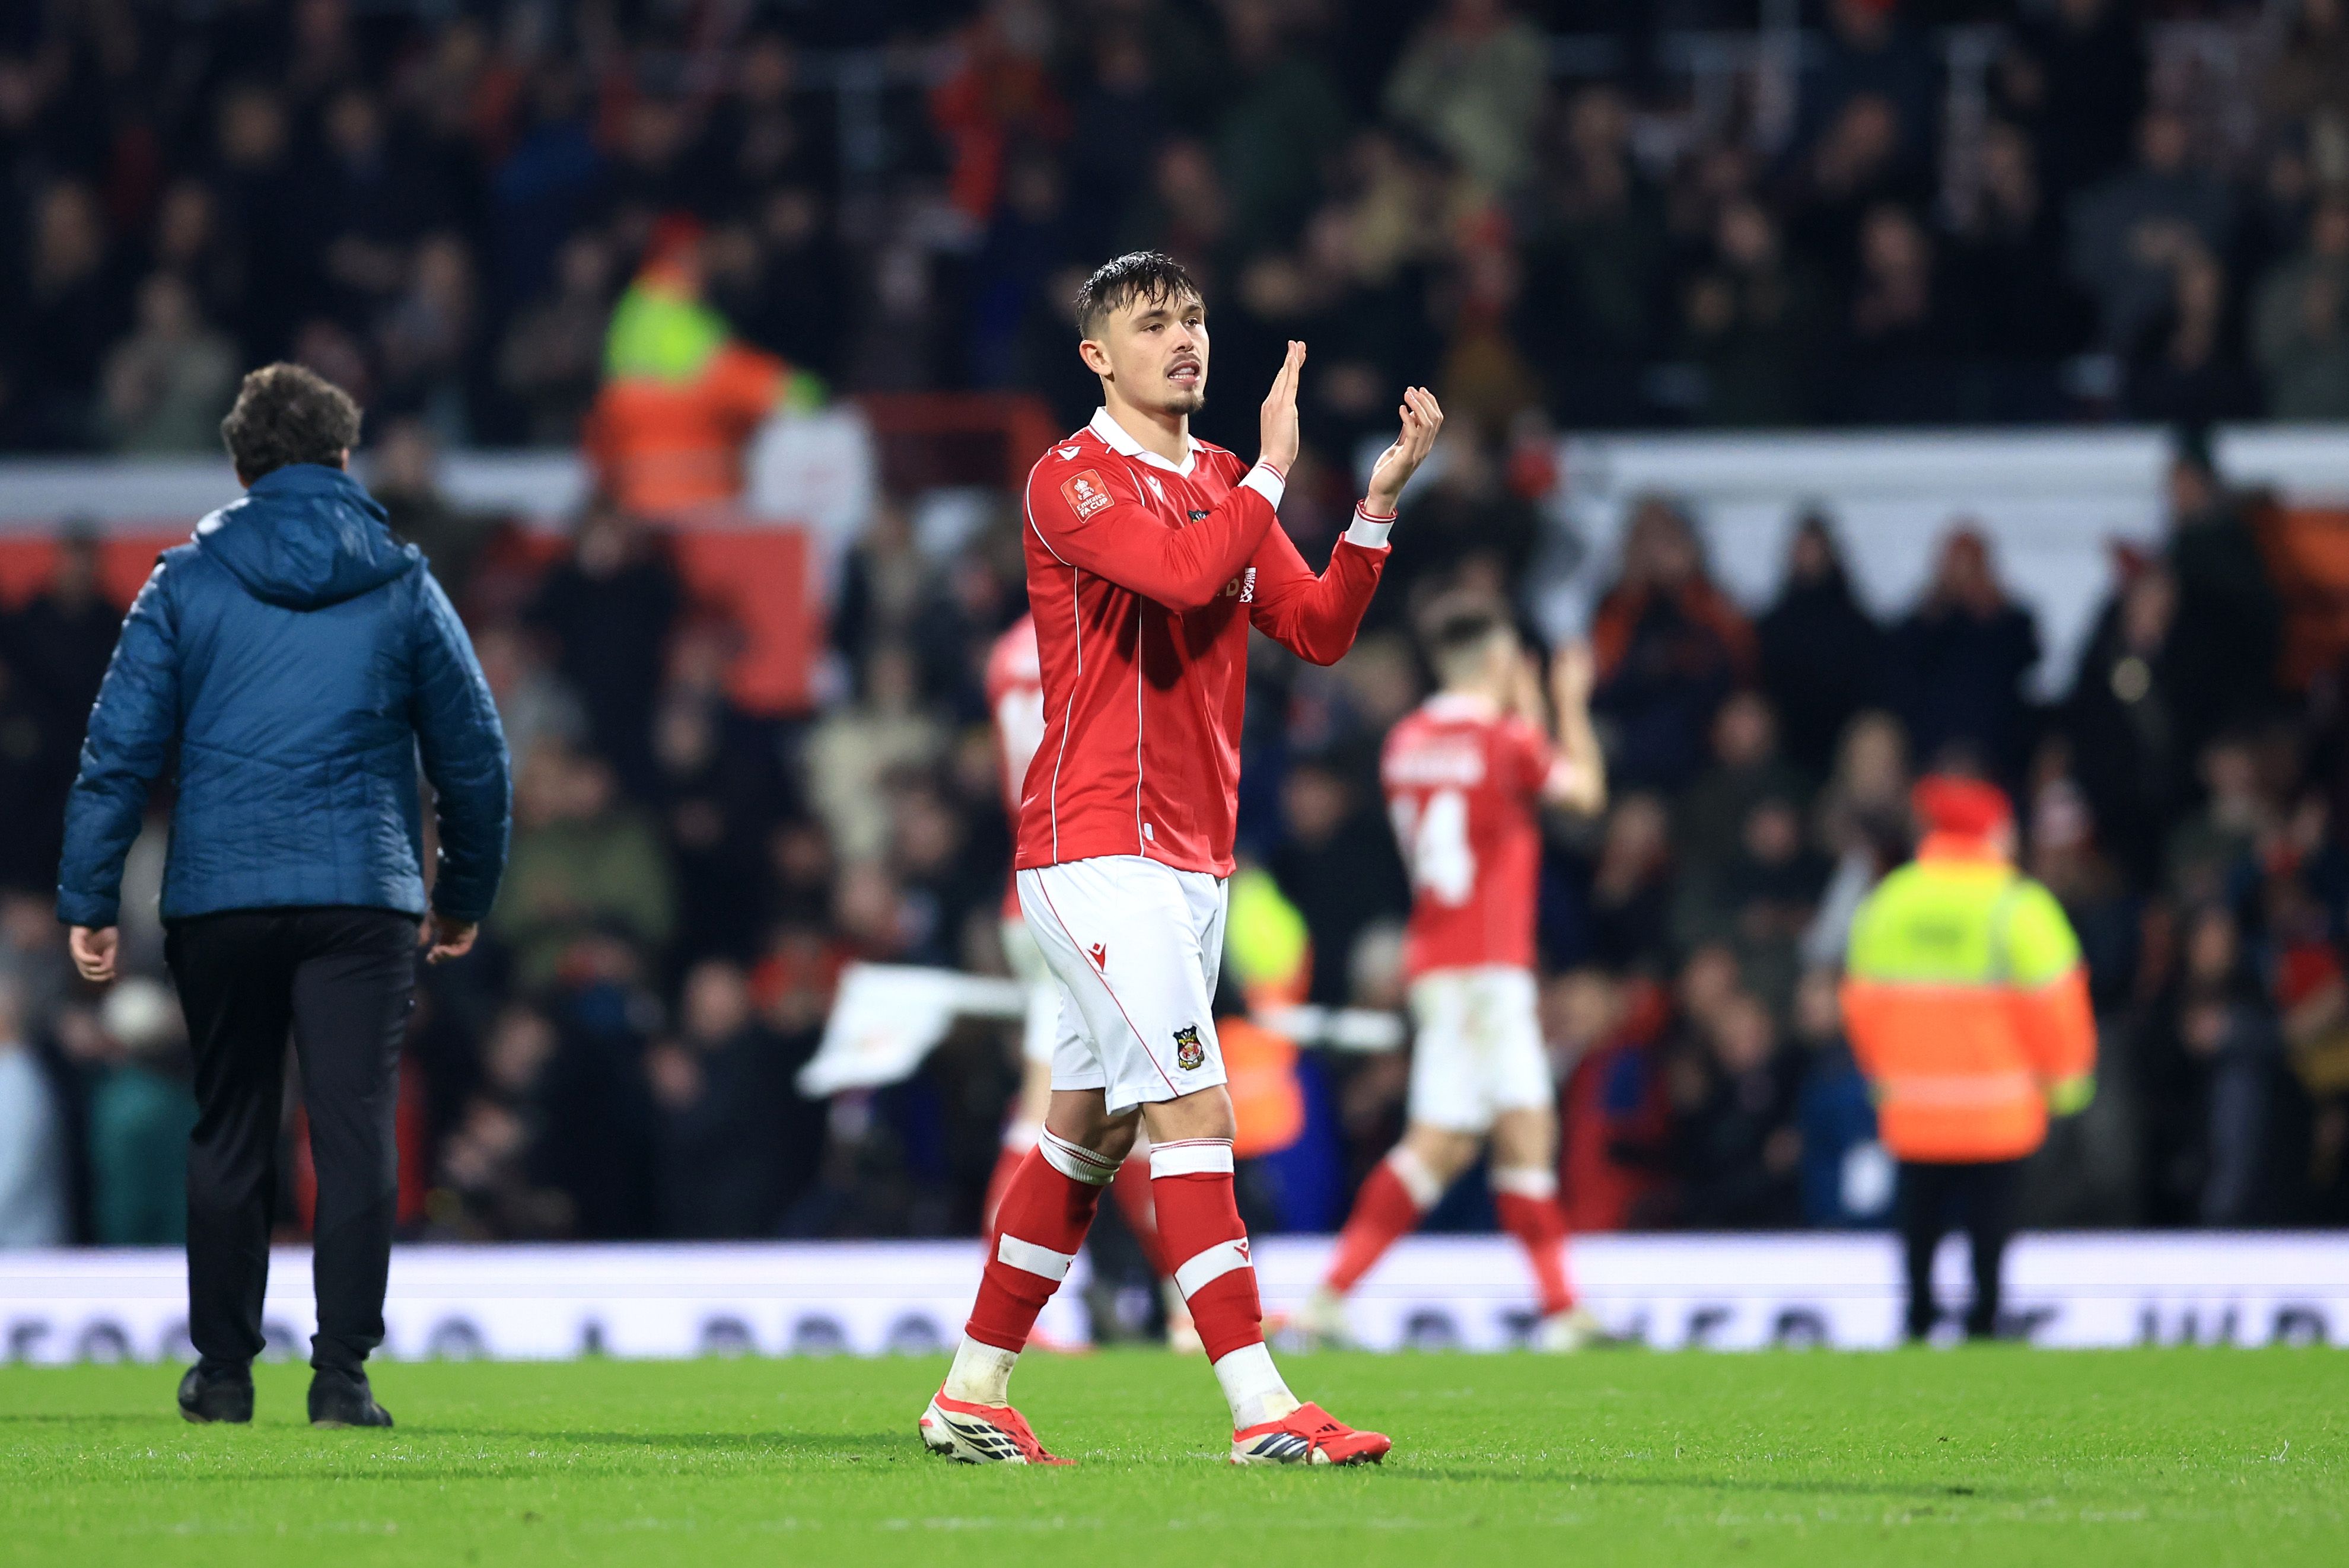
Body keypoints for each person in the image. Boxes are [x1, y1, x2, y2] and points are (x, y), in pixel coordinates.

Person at [919, 251, 1439, 1468]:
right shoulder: (1072, 482)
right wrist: (1270, 467)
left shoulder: (1216, 480)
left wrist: (1374, 505)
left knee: (1089, 1130)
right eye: (1155, 324)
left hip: (1193, 858)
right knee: (1194, 1104)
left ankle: (972, 1389)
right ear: (1098, 355)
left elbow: (1314, 629)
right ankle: (1264, 1405)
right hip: (1094, 846)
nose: (1184, 339)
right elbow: (1189, 569)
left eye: (1196, 318)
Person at [56, 364, 510, 1427]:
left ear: (242, 466)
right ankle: (342, 1374)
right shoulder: (402, 581)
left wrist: (88, 890)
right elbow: (476, 757)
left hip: (222, 895)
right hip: (364, 893)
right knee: (354, 1127)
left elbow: (116, 751)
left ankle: (221, 1372)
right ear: (344, 459)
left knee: (230, 1126)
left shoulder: (185, 581)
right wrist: (462, 891)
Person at [1299, 603, 1608, 1349]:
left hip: (1438, 958)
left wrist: (1521, 707)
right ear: (1502, 666)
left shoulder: (1405, 742)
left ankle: (1333, 1300)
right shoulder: (1506, 741)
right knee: (1486, 1133)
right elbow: (1583, 794)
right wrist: (1568, 700)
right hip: (1489, 965)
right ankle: (1560, 1310)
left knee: (1470, 1138)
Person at [979, 610, 1196, 1352]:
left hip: (1035, 876)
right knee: (1056, 1102)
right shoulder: (1088, 634)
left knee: (1117, 1103)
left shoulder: (1008, 652)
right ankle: (1015, 1316)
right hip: (1081, 875)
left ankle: (1182, 1304)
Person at [1839, 776, 2095, 1341]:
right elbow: (2058, 1006)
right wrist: (2067, 1086)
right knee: (1991, 1229)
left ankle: (1917, 1321)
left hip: (1914, 1110)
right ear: (1993, 833)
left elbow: (1861, 1006)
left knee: (1918, 1226)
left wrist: (1883, 1076)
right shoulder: (2018, 906)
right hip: (1998, 1110)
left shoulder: (1889, 902)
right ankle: (1985, 1324)